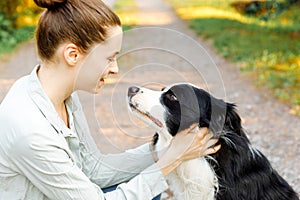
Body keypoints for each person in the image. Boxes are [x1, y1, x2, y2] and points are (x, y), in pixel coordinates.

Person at [0, 0, 220, 199]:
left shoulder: (59, 95)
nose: (115, 68)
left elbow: (92, 169)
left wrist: (168, 149)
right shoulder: (29, 130)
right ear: (72, 55)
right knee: (150, 187)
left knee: (147, 186)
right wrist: (170, 158)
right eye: (109, 58)